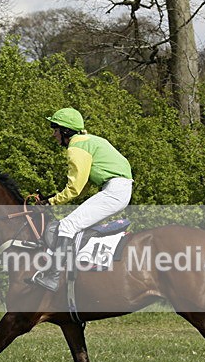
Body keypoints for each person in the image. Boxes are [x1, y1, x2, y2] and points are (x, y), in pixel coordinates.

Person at [31, 108, 133, 292]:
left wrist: (50, 202)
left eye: (55, 130)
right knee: (75, 225)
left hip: (115, 190)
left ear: (66, 131)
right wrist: (52, 198)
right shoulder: (90, 141)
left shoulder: (76, 147)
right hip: (118, 189)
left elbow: (75, 187)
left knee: (67, 226)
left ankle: (54, 277)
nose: (53, 135)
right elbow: (82, 185)